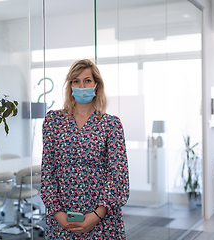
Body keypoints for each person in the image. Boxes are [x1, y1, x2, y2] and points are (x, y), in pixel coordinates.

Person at [40, 59, 129, 239]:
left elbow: (118, 174)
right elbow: (47, 170)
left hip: (101, 218)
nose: (82, 86)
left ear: (96, 85)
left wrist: (97, 215)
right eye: (76, 81)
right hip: (62, 218)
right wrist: (58, 213)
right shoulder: (53, 121)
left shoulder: (111, 124)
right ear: (70, 86)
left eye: (87, 80)